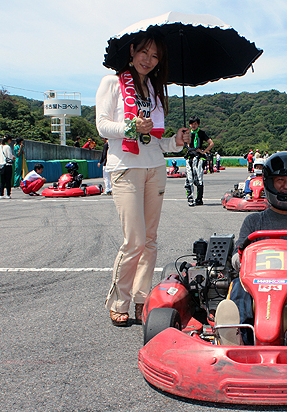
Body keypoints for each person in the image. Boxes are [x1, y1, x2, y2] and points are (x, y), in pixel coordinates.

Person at [96, 28, 189, 327]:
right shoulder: (112, 83)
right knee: (134, 240)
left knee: (150, 241)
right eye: (144, 53)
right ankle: (119, 300)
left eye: (154, 56)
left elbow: (157, 142)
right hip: (125, 167)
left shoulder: (155, 92)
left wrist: (176, 140)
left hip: (155, 168)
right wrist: (132, 127)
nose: (148, 60)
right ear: (133, 51)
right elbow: (102, 126)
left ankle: (141, 299)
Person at [215, 151, 287, 346]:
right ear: (269, 183)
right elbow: (236, 262)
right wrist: (242, 253)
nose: (286, 186)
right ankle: (237, 340)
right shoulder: (254, 221)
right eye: (280, 180)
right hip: (254, 284)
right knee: (238, 288)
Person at [184, 115, 214, 206]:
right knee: (189, 178)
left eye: (195, 124)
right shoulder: (187, 133)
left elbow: (211, 143)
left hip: (199, 158)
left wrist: (203, 151)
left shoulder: (201, 133)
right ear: (189, 124)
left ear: (198, 124)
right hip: (190, 157)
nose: (193, 126)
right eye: (192, 124)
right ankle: (190, 198)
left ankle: (199, 199)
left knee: (199, 179)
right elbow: (185, 143)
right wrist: (189, 148)